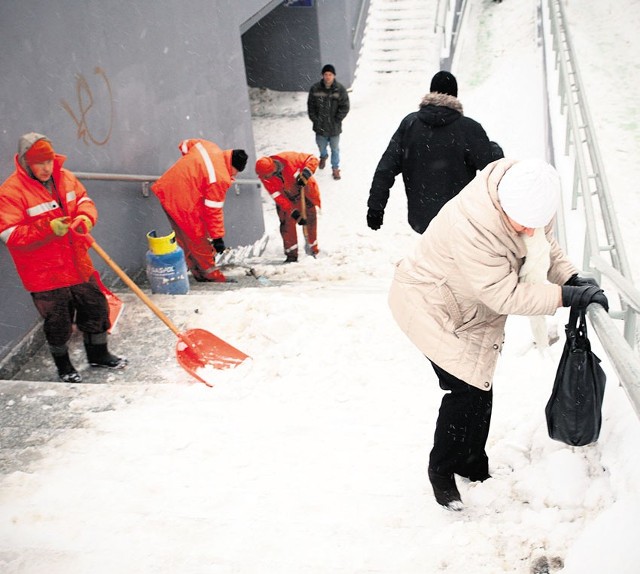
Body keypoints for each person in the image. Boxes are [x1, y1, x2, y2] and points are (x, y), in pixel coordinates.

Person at [387, 158, 608, 511]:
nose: (531, 230)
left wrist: (570, 277)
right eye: (523, 224)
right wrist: (562, 297)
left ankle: (473, 465)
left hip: (469, 308)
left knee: (480, 389)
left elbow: (545, 246)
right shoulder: (473, 226)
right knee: (464, 390)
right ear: (504, 206)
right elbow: (501, 294)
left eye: (538, 223)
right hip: (432, 305)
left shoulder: (531, 201)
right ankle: (441, 471)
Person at [0, 133, 127, 383]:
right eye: (39, 163)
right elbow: (10, 234)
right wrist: (48, 228)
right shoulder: (10, 192)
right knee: (58, 321)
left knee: (95, 307)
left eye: (48, 161)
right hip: (44, 272)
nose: (46, 168)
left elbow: (85, 201)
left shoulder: (66, 177)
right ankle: (64, 366)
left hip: (77, 262)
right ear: (26, 162)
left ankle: (99, 355)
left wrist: (85, 218)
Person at [367, 70, 504, 234]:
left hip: (422, 219)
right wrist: (493, 148)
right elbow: (494, 168)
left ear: (431, 92)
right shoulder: (468, 128)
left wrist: (376, 207)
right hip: (459, 219)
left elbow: (385, 169)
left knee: (432, 255)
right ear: (455, 95)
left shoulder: (410, 124)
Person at [151, 139, 248, 283]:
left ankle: (197, 272)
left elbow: (184, 145)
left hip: (166, 189)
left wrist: (190, 169)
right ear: (234, 167)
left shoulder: (209, 146)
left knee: (184, 238)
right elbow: (213, 211)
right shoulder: (220, 177)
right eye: (236, 172)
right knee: (198, 237)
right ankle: (211, 274)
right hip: (183, 200)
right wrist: (217, 238)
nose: (235, 176)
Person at [255, 152, 320, 262]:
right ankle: (291, 254)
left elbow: (312, 159)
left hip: (304, 192)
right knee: (287, 224)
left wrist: (306, 173)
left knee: (310, 220)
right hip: (286, 198)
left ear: (273, 168)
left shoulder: (290, 159)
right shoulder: (264, 176)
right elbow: (277, 196)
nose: (265, 178)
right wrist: (293, 212)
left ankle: (312, 249)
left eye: (267, 175)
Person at [307, 64, 350, 181]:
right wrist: (315, 119)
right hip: (319, 127)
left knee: (335, 149)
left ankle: (335, 168)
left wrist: (337, 119)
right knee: (321, 146)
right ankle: (323, 156)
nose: (328, 77)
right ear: (322, 75)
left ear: (334, 76)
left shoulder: (340, 89)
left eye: (330, 74)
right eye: (325, 74)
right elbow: (311, 106)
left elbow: (345, 106)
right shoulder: (315, 89)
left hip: (334, 127)